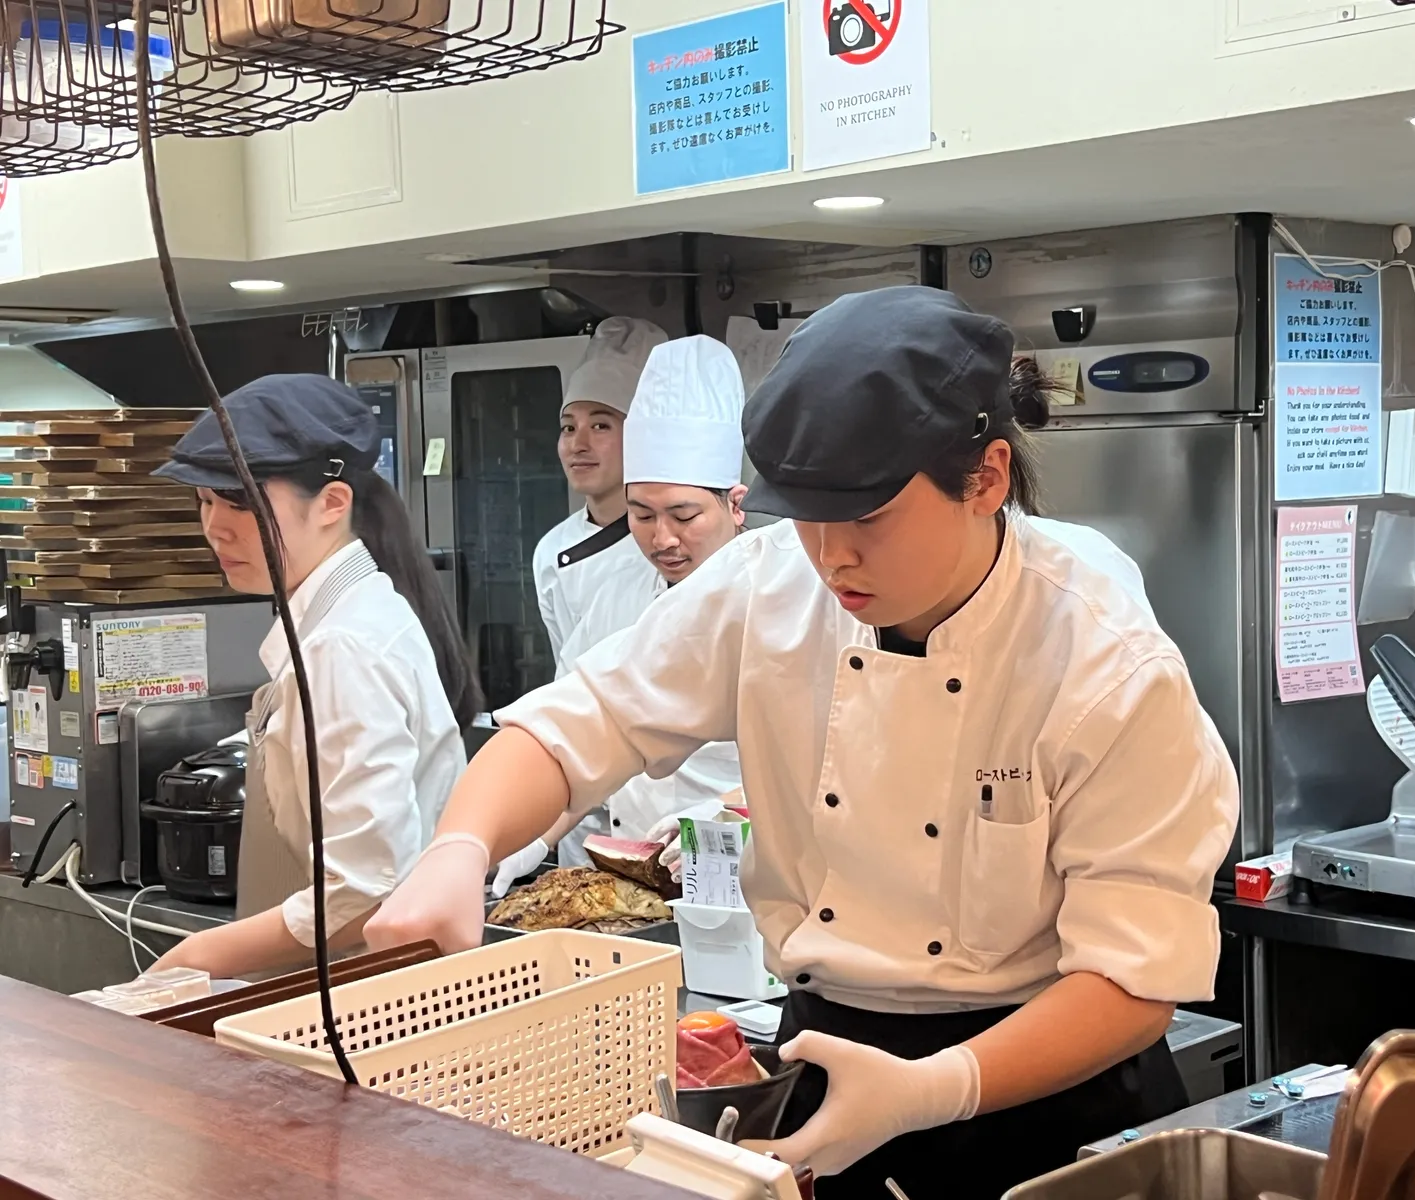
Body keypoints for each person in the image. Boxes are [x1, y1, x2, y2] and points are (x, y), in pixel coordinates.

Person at [368, 287, 1240, 1197]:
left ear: (984, 479)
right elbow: (584, 722)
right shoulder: (770, 585)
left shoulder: (1102, 655)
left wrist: (930, 1090)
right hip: (829, 1056)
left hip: (1043, 1090)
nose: (830, 558)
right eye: (808, 514)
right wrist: (460, 849)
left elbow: (1136, 981)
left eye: (865, 517)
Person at [151, 375, 475, 980]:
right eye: (204, 500)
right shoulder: (347, 615)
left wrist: (196, 958)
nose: (216, 527)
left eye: (240, 501)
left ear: (332, 503)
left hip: (369, 994)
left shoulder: (341, 646)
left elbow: (364, 889)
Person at [493, 336, 748, 894]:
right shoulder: (615, 594)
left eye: (684, 515)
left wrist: (733, 813)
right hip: (625, 876)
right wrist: (527, 837)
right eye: (641, 515)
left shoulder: (780, 595)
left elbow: (827, 763)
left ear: (735, 503)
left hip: (746, 879)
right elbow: (579, 738)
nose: (663, 539)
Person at [529, 315, 668, 867]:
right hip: (581, 812)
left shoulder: (680, 562)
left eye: (602, 425)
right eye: (568, 426)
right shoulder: (551, 552)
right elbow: (571, 681)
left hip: (665, 810)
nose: (578, 443)